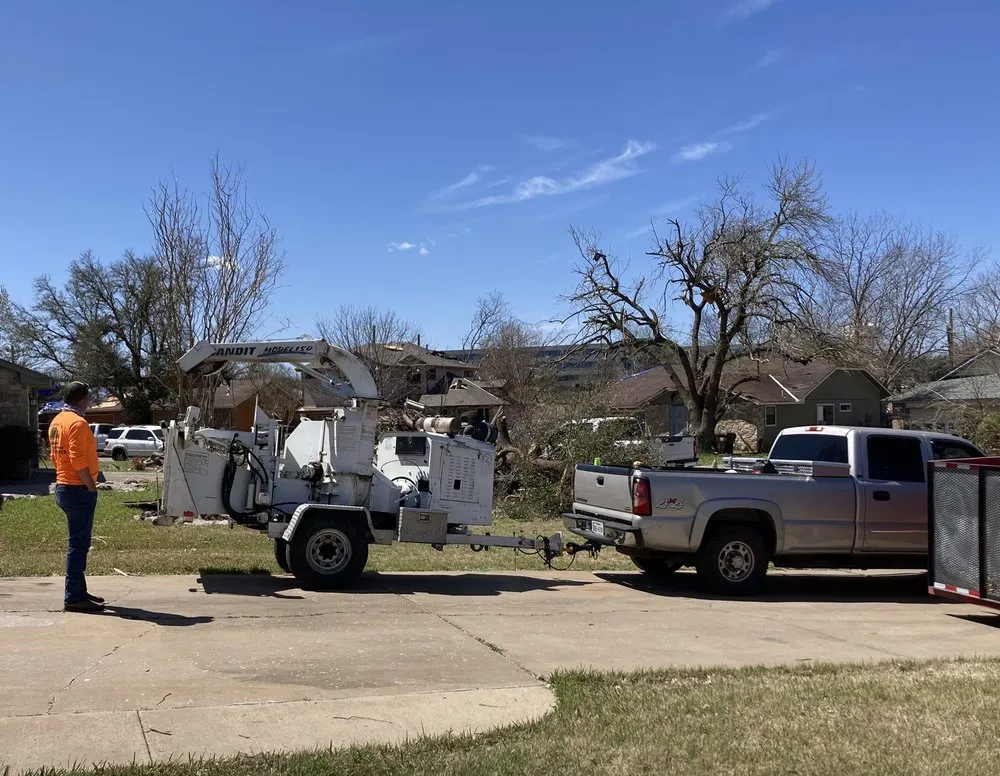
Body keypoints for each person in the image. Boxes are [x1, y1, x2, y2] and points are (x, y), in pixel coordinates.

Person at [48, 381, 104, 612]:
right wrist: (90, 486)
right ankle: (73, 597)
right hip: (78, 489)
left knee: (78, 543)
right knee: (78, 545)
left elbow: (54, 456)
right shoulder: (78, 423)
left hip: (63, 485)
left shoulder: (57, 421)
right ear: (83, 400)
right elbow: (77, 460)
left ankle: (79, 590)